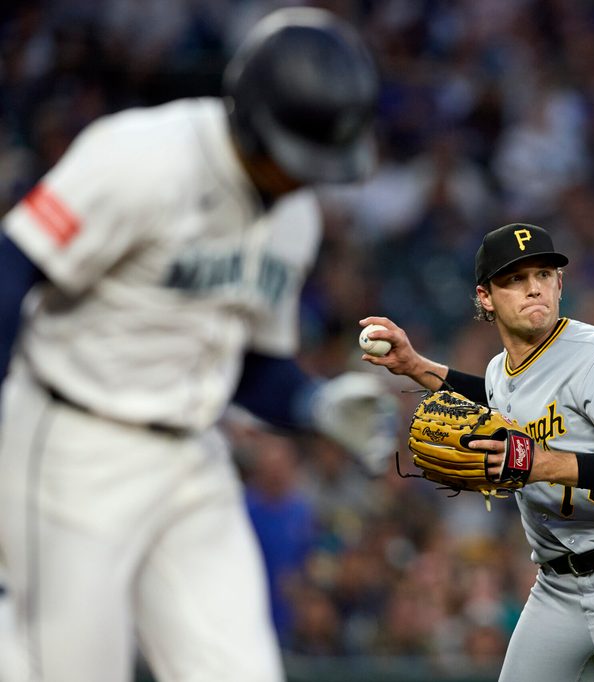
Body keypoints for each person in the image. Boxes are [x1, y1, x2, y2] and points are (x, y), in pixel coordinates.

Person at [0, 9, 397, 682]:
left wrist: (309, 401)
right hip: (73, 445)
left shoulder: (294, 217)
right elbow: (13, 271)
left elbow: (250, 362)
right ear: (249, 120)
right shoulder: (143, 156)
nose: (305, 179)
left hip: (194, 458)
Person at [362, 223, 594, 681]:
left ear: (560, 283)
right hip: (560, 591)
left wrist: (542, 464)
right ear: (486, 298)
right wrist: (419, 368)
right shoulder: (500, 371)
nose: (533, 288)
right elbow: (500, 397)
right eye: (515, 280)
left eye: (543, 274)